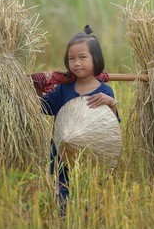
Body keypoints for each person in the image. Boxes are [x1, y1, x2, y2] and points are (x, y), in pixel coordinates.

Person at [34, 25, 119, 216]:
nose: (76, 63)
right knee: (61, 189)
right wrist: (35, 87)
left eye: (83, 57)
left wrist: (111, 103)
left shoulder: (104, 91)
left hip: (93, 154)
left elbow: (113, 127)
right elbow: (43, 107)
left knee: (89, 191)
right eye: (72, 58)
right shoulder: (63, 89)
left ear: (96, 59)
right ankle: (63, 215)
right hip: (62, 150)